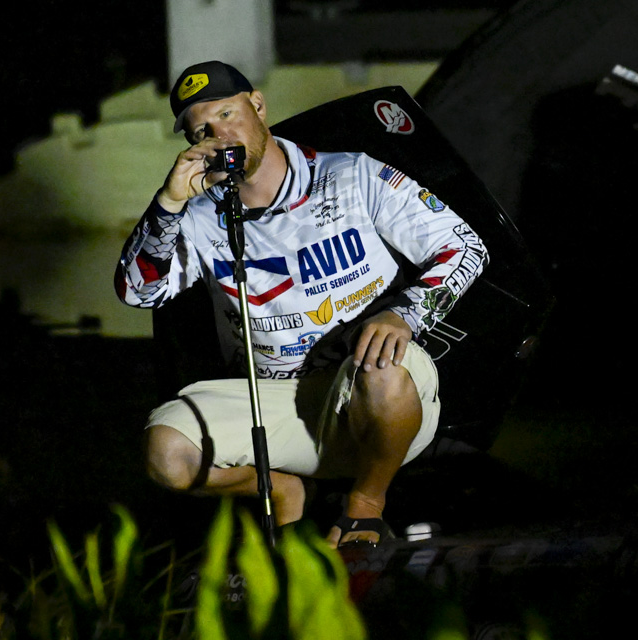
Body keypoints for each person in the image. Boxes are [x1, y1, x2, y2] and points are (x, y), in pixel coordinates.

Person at [115, 61, 488, 547]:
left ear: (258, 105)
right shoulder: (198, 215)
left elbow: (464, 245)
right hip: (275, 401)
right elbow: (138, 292)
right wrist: (168, 203)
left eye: (227, 114)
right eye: (201, 130)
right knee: (166, 453)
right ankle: (282, 487)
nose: (219, 135)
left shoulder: (351, 173)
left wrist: (405, 313)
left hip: (371, 389)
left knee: (384, 369)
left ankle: (365, 506)